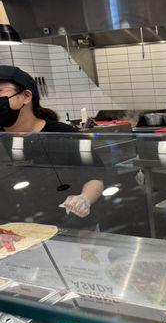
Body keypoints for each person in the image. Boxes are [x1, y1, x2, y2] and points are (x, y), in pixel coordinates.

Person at [0, 65, 103, 218]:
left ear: (27, 96)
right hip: (11, 229)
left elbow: (96, 177)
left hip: (69, 227)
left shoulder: (64, 134)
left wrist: (84, 199)